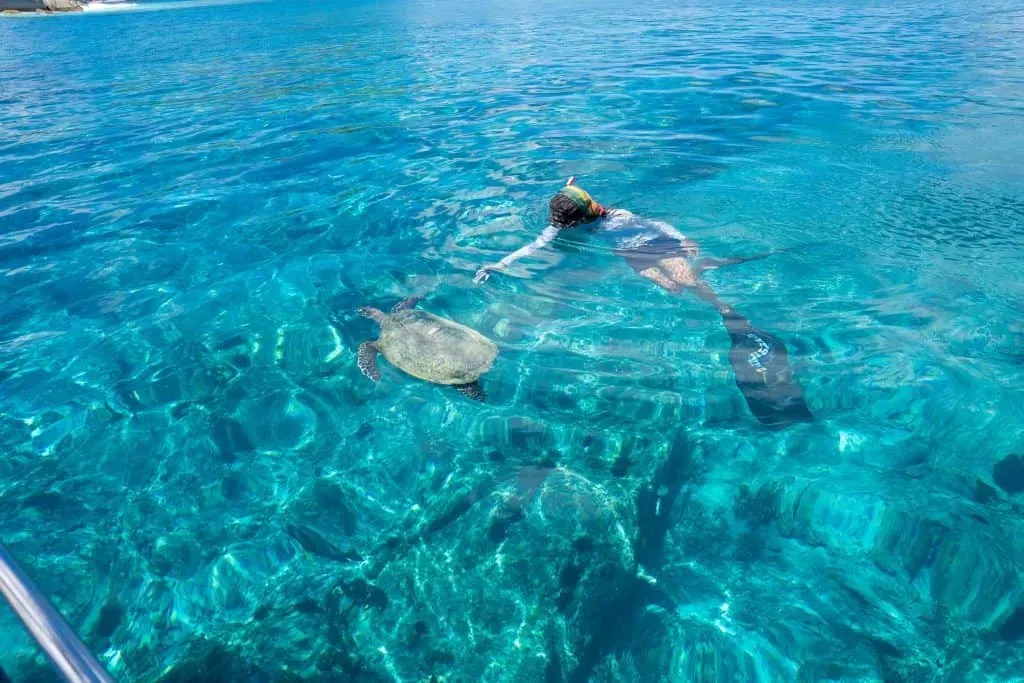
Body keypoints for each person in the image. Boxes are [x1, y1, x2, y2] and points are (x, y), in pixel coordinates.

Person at [474, 178, 813, 427]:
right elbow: (532, 247)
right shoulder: (561, 224)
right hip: (632, 256)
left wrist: (681, 239)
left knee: (690, 283)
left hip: (656, 244)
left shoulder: (617, 216)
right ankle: (704, 271)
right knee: (673, 287)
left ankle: (725, 309)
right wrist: (498, 265)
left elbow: (655, 225)